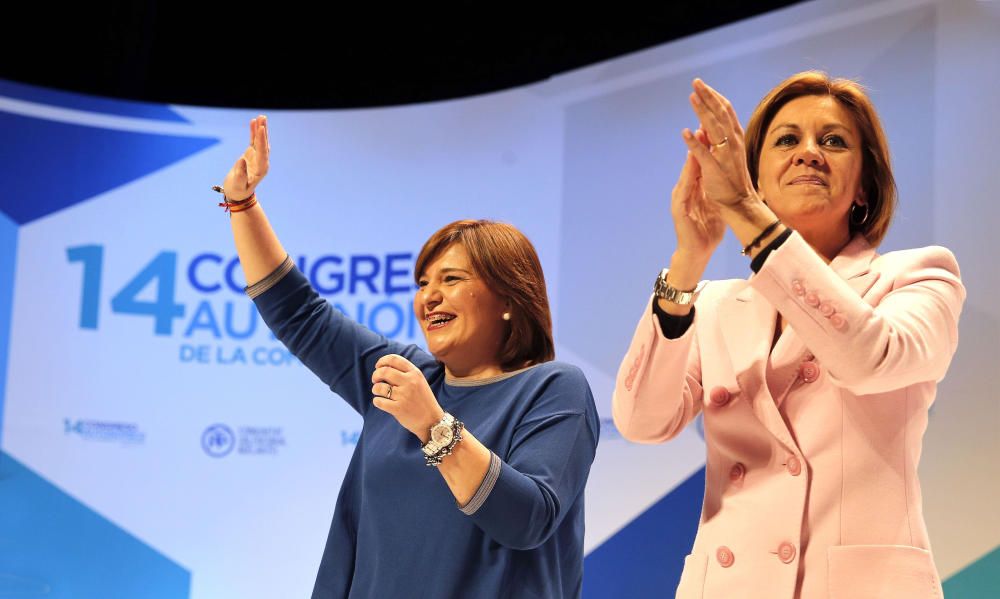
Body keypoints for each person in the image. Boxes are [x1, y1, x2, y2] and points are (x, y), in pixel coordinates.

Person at [612, 72, 965, 598]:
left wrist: (748, 214)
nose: (808, 153)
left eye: (833, 141)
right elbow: (642, 422)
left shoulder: (918, 276)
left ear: (865, 184)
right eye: (786, 140)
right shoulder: (710, 304)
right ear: (754, 176)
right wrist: (687, 261)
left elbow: (868, 358)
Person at [219, 116, 600, 598]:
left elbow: (527, 520)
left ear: (508, 299)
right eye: (423, 283)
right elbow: (298, 313)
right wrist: (242, 204)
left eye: (452, 280)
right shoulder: (401, 374)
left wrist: (435, 427)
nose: (429, 298)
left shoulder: (554, 388)